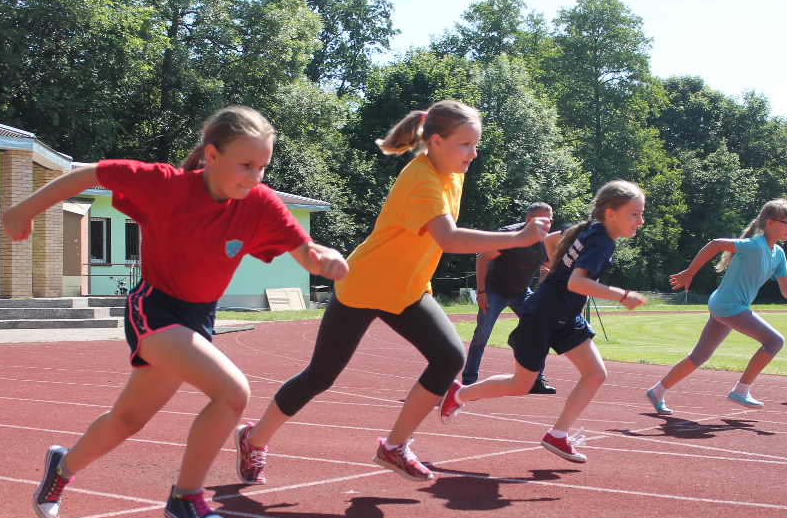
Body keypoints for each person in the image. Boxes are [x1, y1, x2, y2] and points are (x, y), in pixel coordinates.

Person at [2, 106, 348, 518]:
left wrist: (324, 258)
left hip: (199, 317)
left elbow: (306, 252)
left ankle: (62, 467)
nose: (254, 177)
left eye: (262, 166)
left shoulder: (259, 203)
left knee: (127, 421)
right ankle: (186, 497)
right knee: (232, 393)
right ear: (212, 155)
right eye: (245, 165)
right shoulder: (165, 185)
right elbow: (88, 173)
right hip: (155, 308)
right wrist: (23, 211)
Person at [233, 100, 551, 484]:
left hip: (407, 290)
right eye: (465, 144)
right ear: (435, 141)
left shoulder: (452, 171)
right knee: (320, 376)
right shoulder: (422, 178)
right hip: (366, 284)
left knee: (449, 358)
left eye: (475, 143)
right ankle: (254, 439)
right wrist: (516, 238)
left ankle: (395, 446)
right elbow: (448, 238)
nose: (474, 152)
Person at [439, 180, 649, 464]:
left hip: (564, 315)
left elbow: (550, 242)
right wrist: (622, 296)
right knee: (521, 385)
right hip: (543, 315)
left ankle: (558, 435)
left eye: (641, 213)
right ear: (611, 213)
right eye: (634, 213)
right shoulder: (600, 240)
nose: (640, 220)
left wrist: (555, 273)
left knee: (595, 374)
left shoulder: (588, 229)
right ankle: (459, 394)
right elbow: (577, 282)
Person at [645, 199, 787, 414]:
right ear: (770, 223)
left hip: (725, 305)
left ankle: (657, 391)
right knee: (774, 341)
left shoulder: (778, 254)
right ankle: (741, 389)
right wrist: (689, 273)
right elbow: (715, 244)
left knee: (699, 356)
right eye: (786, 222)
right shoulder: (754, 246)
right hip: (728, 305)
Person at [461, 202, 561, 394]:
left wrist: (542, 292)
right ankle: (468, 381)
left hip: (521, 292)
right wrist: (481, 293)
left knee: (540, 330)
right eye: (542, 220)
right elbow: (482, 257)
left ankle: (536, 380)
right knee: (482, 335)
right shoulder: (510, 236)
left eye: (550, 221)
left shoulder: (546, 241)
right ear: (529, 220)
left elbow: (547, 267)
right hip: (494, 291)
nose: (547, 225)